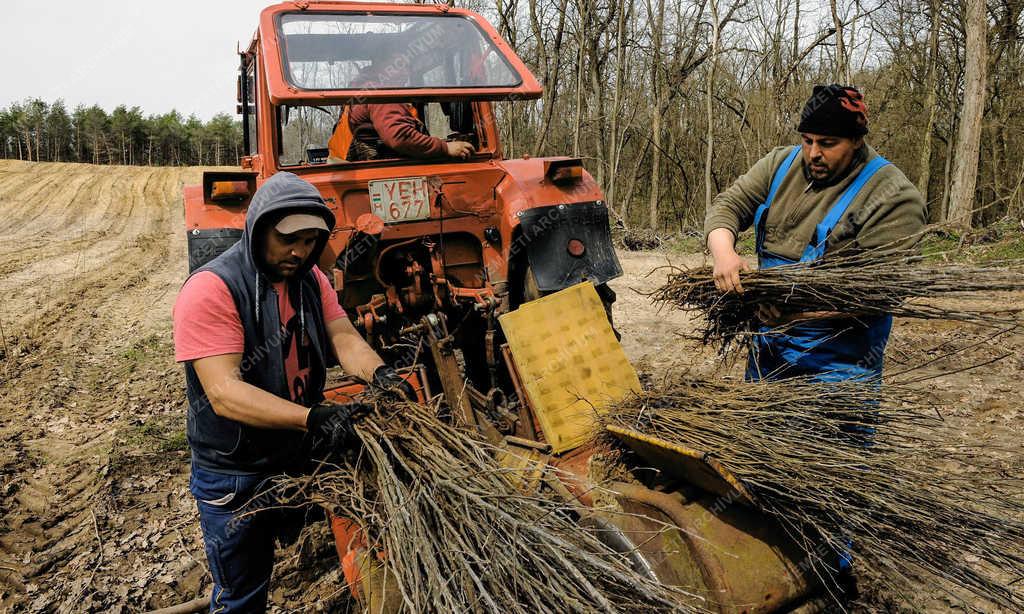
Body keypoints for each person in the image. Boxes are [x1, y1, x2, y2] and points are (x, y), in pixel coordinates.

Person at [172, 171, 411, 612]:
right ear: (259, 229)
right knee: (243, 594)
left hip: (294, 451)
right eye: (288, 240)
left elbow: (342, 337)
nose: (299, 251)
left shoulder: (309, 280)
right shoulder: (212, 289)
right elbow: (224, 392)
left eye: (309, 241)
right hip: (237, 472)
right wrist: (311, 418)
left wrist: (380, 375)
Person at [705, 84, 927, 383]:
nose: (813, 153)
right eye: (807, 141)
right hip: (768, 350)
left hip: (839, 366)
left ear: (857, 141)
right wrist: (724, 254)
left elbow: (885, 293)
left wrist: (794, 316)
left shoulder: (892, 195)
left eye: (828, 142)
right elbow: (728, 205)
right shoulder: (780, 164)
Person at [343, 102, 475, 161]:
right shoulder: (384, 93)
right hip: (391, 167)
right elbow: (400, 137)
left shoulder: (363, 87)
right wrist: (445, 147)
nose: (405, 70)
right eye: (400, 63)